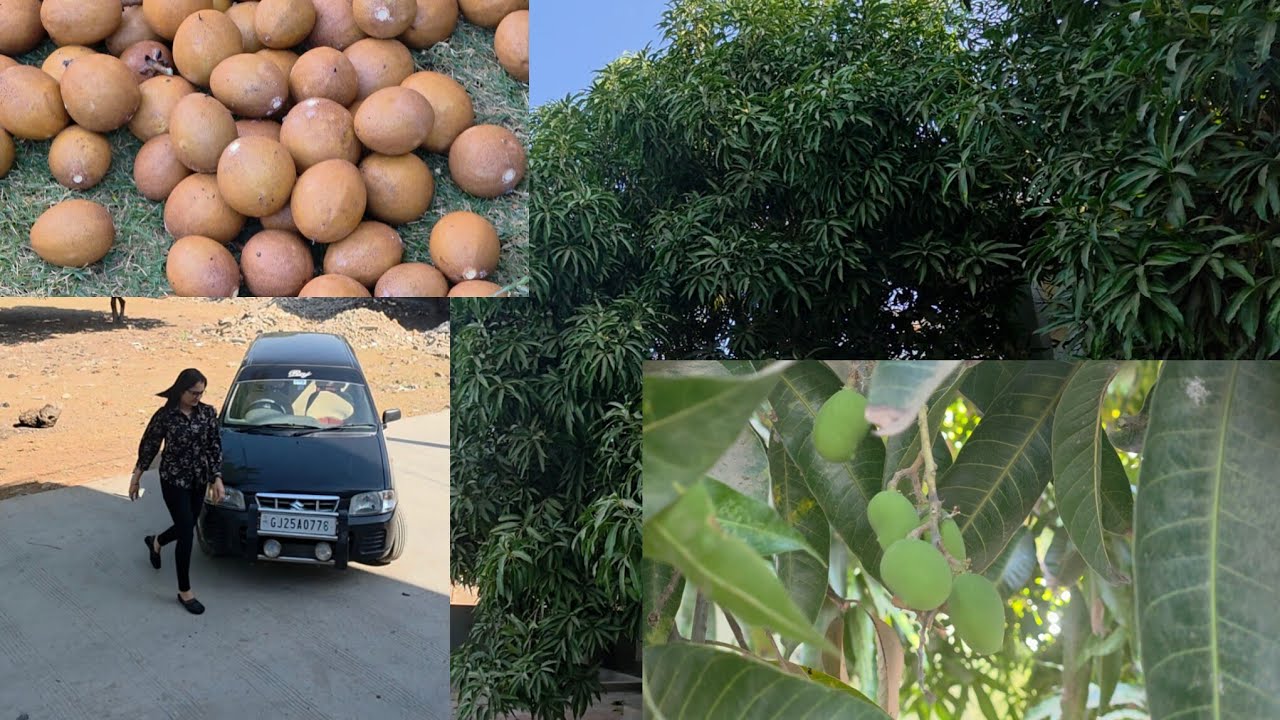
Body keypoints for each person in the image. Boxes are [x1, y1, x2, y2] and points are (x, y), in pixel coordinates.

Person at [128, 368, 225, 615]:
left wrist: (216, 477)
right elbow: (149, 445)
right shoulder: (165, 416)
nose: (197, 397)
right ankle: (185, 591)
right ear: (181, 390)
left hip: (198, 480)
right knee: (186, 532)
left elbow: (214, 446)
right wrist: (136, 477)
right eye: (193, 392)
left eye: (201, 393)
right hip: (173, 480)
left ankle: (157, 541)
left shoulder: (207, 413)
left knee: (188, 524)